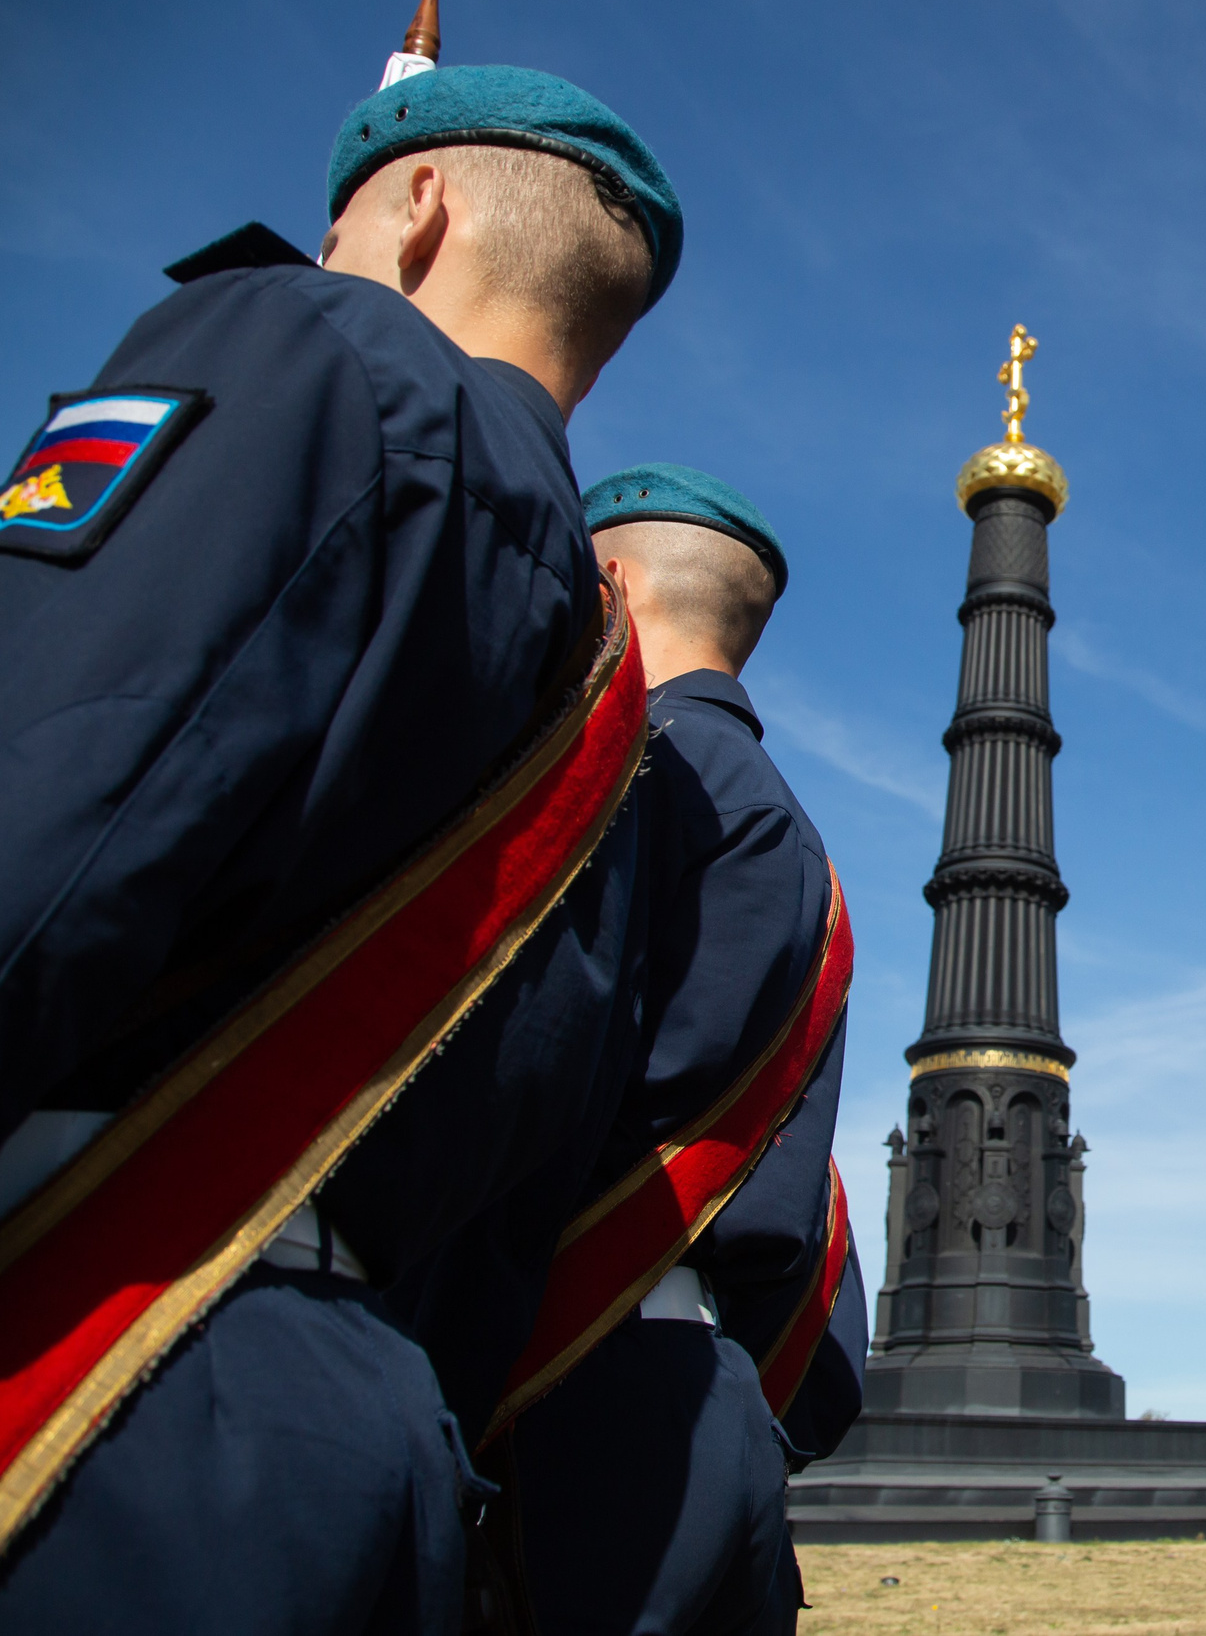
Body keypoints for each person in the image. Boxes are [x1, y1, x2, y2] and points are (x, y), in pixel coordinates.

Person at [0, 8, 684, 1634]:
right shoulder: (617, 704)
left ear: (415, 213)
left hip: (65, 1372)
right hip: (366, 1446)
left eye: (341, 215)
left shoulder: (299, 351)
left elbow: (9, 808)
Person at [416, 465, 860, 1636]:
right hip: (694, 1383)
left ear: (606, 584)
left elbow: (541, 1087)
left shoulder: (643, 775)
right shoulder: (773, 813)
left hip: (577, 1380)